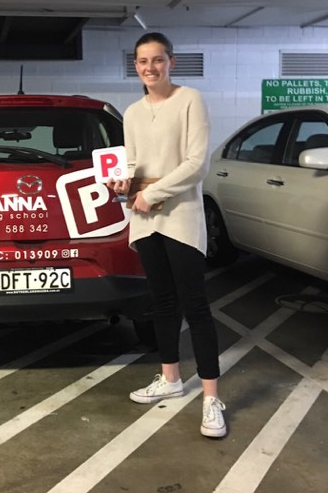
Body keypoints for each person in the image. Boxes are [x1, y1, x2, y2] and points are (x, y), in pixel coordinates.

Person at [107, 31, 226, 438]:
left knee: (195, 304)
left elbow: (196, 164)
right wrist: (123, 183)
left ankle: (211, 398)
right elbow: (133, 163)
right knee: (161, 302)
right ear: (135, 66)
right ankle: (171, 378)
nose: (150, 68)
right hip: (144, 218)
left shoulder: (190, 100)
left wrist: (152, 193)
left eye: (157, 60)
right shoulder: (132, 112)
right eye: (143, 61)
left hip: (180, 216)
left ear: (171, 62)